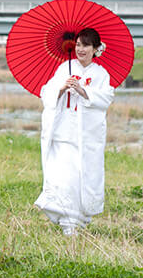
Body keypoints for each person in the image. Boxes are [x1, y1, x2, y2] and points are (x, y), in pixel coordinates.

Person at [35, 27, 115, 234]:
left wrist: (83, 91)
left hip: (85, 135)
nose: (80, 49)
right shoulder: (65, 68)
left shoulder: (101, 74)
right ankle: (66, 221)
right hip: (63, 132)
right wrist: (61, 88)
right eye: (78, 44)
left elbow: (106, 98)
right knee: (63, 177)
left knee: (80, 178)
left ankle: (75, 221)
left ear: (95, 49)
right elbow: (47, 92)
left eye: (86, 45)